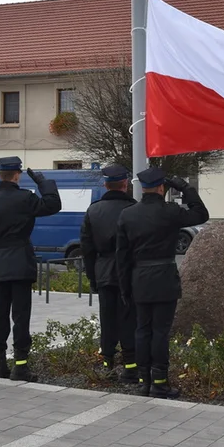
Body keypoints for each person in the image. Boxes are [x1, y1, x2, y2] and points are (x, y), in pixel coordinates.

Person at [116, 167, 209, 399]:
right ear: (161, 187)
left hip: (139, 279)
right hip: (164, 278)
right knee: (160, 332)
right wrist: (185, 188)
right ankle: (159, 383)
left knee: (141, 330)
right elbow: (201, 214)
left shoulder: (128, 215)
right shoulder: (170, 212)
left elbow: (122, 257)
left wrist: (125, 287)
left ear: (142, 187)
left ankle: (143, 381)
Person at [0, 157, 61, 381]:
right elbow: (53, 205)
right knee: (21, 316)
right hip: (20, 262)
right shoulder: (25, 198)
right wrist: (44, 183)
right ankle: (20, 366)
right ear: (17, 175)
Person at [81, 164, 138, 382]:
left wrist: (92, 276)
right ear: (125, 184)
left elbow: (87, 248)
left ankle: (108, 362)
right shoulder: (134, 208)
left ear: (105, 185)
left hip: (104, 269)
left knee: (107, 318)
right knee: (129, 318)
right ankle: (131, 365)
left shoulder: (93, 210)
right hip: (129, 271)